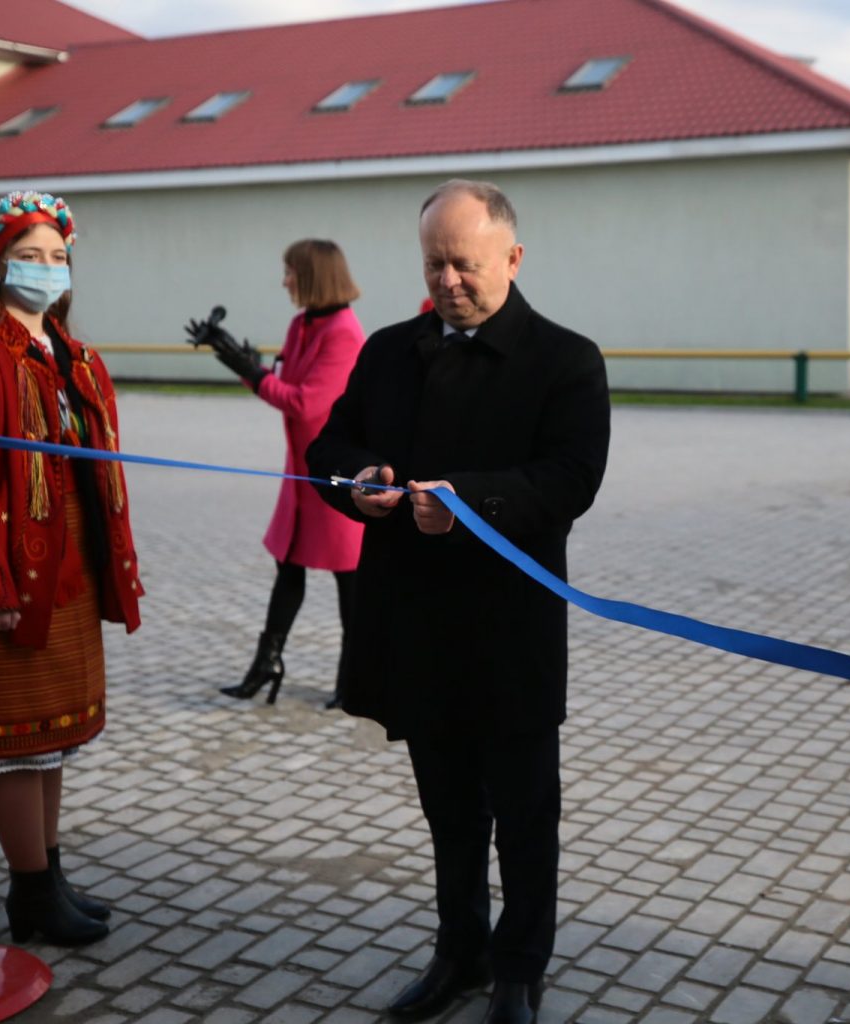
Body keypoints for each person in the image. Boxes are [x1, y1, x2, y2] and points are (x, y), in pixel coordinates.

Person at [306, 179, 610, 1024]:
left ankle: (519, 966)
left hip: (507, 626)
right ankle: (459, 952)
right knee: (447, 807)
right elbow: (331, 441)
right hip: (413, 620)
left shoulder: (566, 358)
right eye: (434, 264)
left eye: (465, 265)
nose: (447, 281)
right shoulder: (390, 350)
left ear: (512, 258)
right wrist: (356, 483)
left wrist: (470, 501)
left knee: (523, 811)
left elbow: (571, 479)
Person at [0, 190, 144, 946]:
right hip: (12, 573)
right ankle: (29, 894)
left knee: (55, 733)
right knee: (16, 738)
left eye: (58, 258)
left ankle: (49, 877)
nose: (48, 270)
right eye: (30, 256)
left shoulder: (70, 352)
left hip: (70, 567)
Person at [187, 240, 366, 707]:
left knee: (351, 579)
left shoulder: (345, 333)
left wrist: (250, 370)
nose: (284, 280)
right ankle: (266, 664)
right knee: (288, 566)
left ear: (312, 275)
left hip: (335, 472)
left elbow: (305, 403)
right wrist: (232, 356)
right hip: (302, 472)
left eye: (290, 272)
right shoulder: (302, 324)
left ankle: (357, 679)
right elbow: (282, 386)